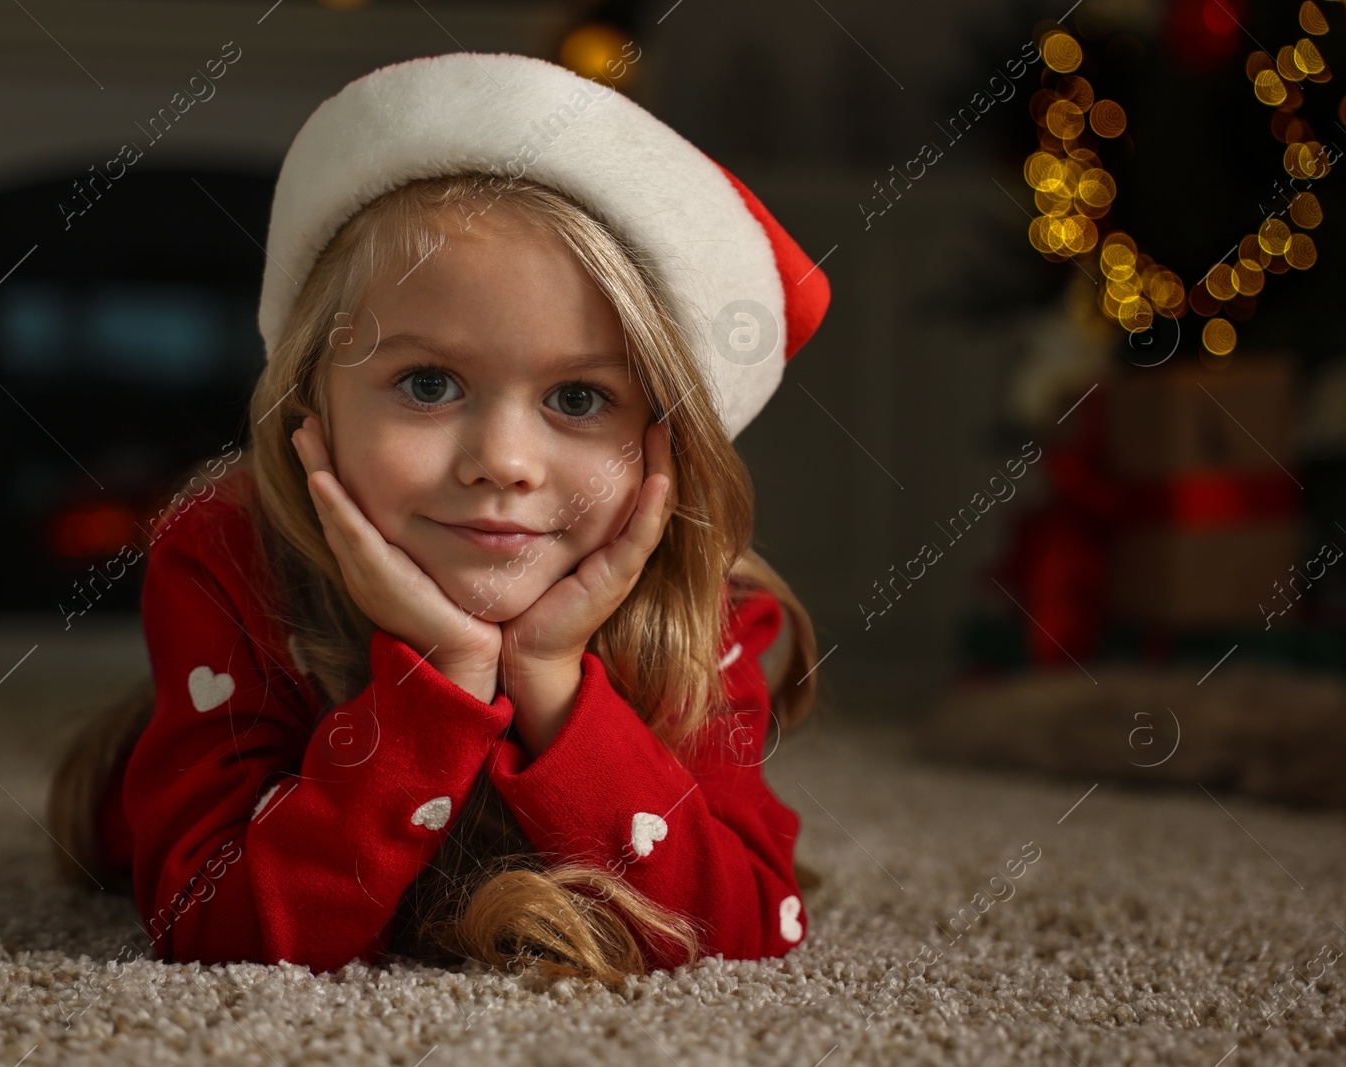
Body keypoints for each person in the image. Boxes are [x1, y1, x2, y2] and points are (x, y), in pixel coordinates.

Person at [49, 51, 833, 989]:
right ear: (312, 404)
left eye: (580, 398)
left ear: (661, 442)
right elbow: (215, 930)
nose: (502, 461)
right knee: (113, 799)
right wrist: (442, 680)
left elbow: (749, 928)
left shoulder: (707, 607)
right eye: (428, 384)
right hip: (253, 742)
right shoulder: (227, 555)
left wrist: (549, 680)